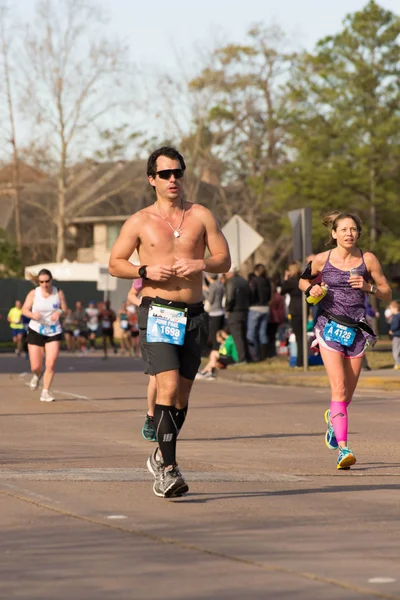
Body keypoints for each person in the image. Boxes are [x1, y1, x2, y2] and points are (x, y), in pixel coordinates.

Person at [109, 145, 231, 498]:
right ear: (152, 179)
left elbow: (224, 259)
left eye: (178, 172)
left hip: (193, 314)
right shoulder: (139, 221)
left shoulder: (201, 215)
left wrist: (201, 264)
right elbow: (115, 263)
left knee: (182, 398)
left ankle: (161, 453)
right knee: (167, 389)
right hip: (158, 311)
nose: (173, 179)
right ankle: (168, 470)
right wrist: (144, 269)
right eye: (165, 174)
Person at [299, 212, 392, 469]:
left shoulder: (367, 259)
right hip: (328, 327)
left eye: (353, 229)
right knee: (338, 389)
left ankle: (333, 418)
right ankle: (343, 449)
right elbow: (302, 279)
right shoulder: (321, 260)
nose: (349, 233)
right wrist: (311, 289)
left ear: (358, 233)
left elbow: (387, 292)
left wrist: (368, 287)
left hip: (357, 331)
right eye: (343, 229)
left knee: (346, 395)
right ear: (334, 234)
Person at [21, 269, 67, 402]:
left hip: (53, 331)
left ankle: (45, 392)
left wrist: (59, 312)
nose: (45, 284)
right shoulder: (33, 293)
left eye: (47, 281)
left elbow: (65, 309)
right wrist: (32, 315)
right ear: (38, 282)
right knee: (36, 366)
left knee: (51, 363)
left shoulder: (58, 293)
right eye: (41, 282)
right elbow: (24, 309)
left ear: (51, 280)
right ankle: (37, 375)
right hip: (36, 330)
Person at [127, 279, 157, 441]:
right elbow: (131, 294)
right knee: (156, 375)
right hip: (152, 324)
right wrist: (143, 303)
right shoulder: (147, 271)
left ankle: (169, 419)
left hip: (177, 322)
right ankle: (151, 416)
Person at [280, 262, 304, 368]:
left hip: (294, 310)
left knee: (298, 337)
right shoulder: (303, 280)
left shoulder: (291, 282)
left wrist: (285, 278)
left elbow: (282, 290)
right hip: (304, 309)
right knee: (302, 337)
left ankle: (300, 361)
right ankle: (302, 359)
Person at [224, 269, 251, 364]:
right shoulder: (244, 281)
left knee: (237, 336)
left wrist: (228, 308)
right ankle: (248, 356)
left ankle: (242, 358)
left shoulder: (231, 282)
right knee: (243, 335)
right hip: (244, 310)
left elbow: (230, 297)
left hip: (235, 311)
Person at [247, 263, 271, 361]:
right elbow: (269, 295)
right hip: (265, 308)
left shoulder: (254, 281)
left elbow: (252, 294)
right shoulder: (267, 281)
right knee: (262, 333)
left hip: (255, 308)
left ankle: (254, 356)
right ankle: (264, 356)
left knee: (251, 333)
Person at [203, 273, 225, 352]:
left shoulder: (212, 286)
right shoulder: (220, 284)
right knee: (219, 332)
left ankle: (215, 349)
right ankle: (221, 348)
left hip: (214, 312)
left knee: (213, 333)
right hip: (221, 311)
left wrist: (205, 291)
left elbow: (210, 299)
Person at [265, 281, 286, 358]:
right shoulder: (278, 296)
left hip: (269, 318)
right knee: (273, 337)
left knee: (268, 336)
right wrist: (282, 319)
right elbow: (281, 310)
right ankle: (272, 352)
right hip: (276, 319)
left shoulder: (268, 297)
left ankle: (268, 352)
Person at [388, 301, 400, 370]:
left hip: (396, 336)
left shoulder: (395, 317)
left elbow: (395, 325)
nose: (390, 310)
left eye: (391, 308)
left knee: (395, 351)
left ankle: (397, 364)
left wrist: (391, 330)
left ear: (395, 308)